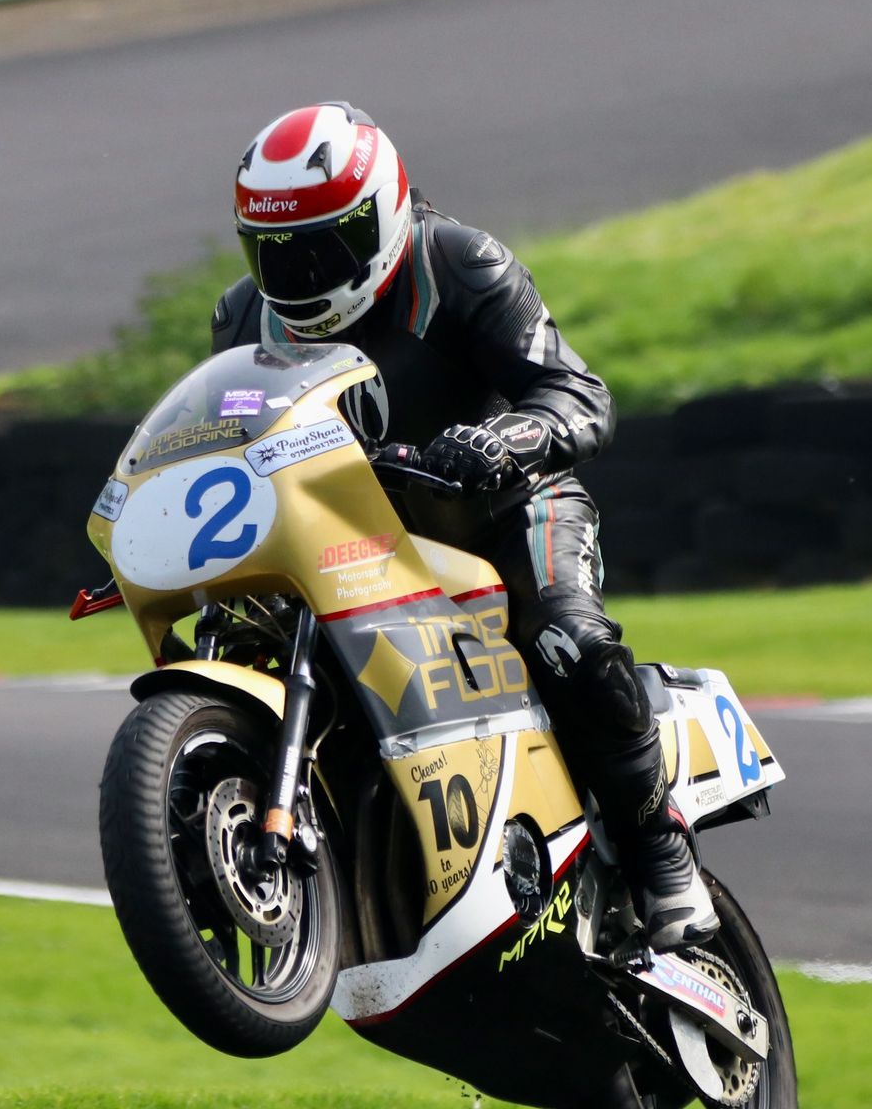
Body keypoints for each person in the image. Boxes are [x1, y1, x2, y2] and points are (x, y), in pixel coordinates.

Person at [212, 101, 716, 952]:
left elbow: (578, 394)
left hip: (503, 509)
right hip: (354, 543)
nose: (297, 273)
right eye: (275, 253)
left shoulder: (460, 262)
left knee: (569, 642)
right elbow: (225, 436)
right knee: (239, 634)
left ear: (379, 216)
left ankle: (657, 847)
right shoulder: (240, 318)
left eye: (322, 247)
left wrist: (504, 440)